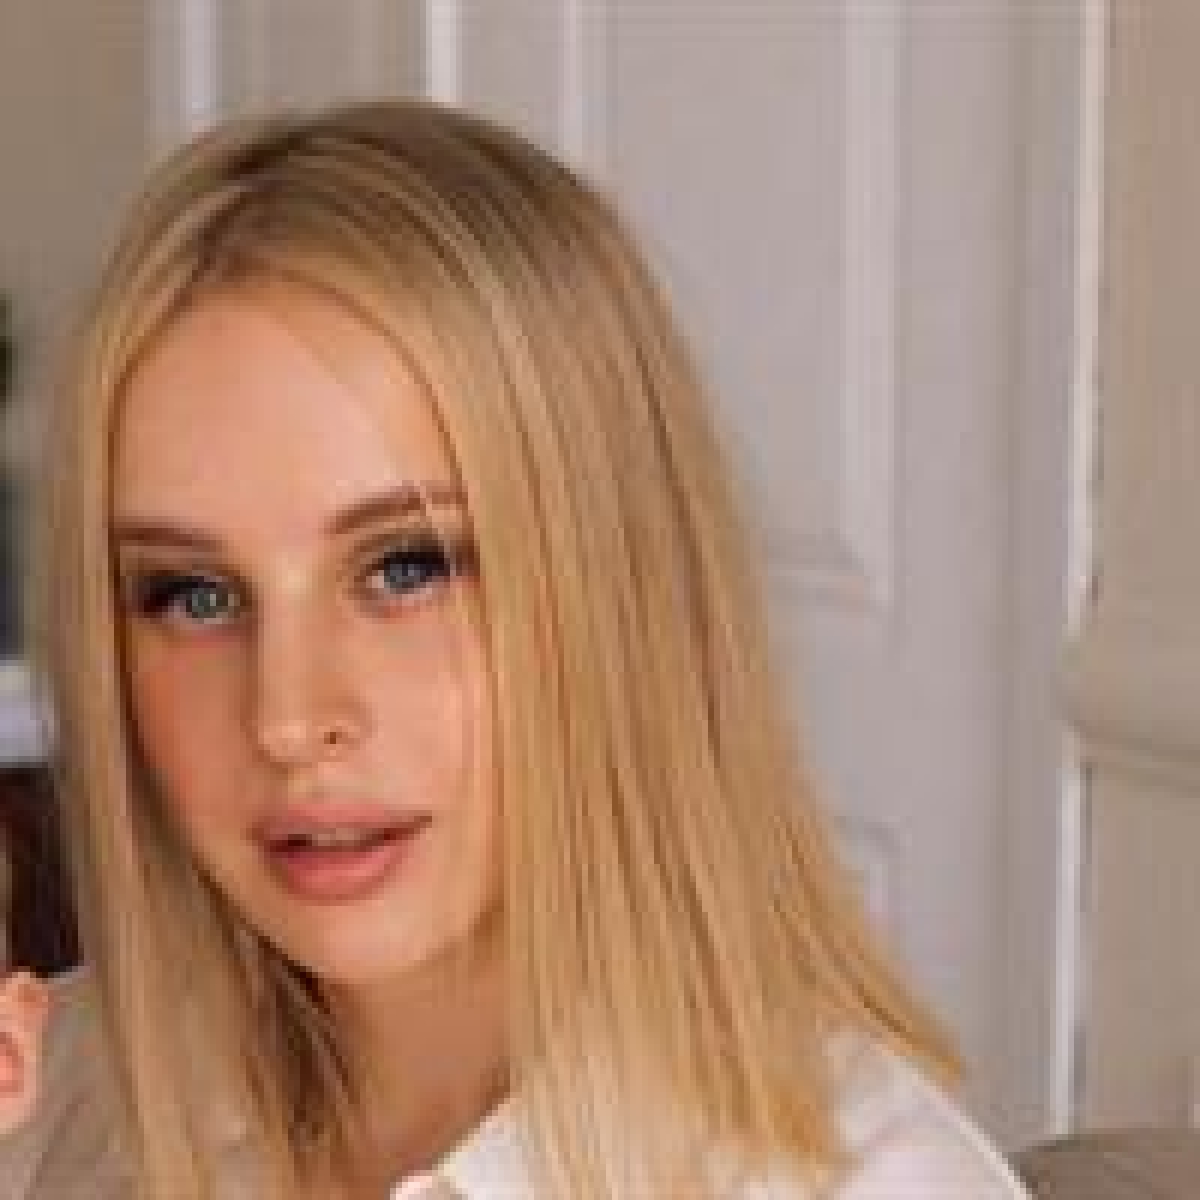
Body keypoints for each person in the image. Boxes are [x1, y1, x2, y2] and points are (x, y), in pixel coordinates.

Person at [24, 99, 1030, 1198]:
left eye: (406, 568)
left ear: (622, 587)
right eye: (195, 594)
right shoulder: (56, 1097)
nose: (288, 718)